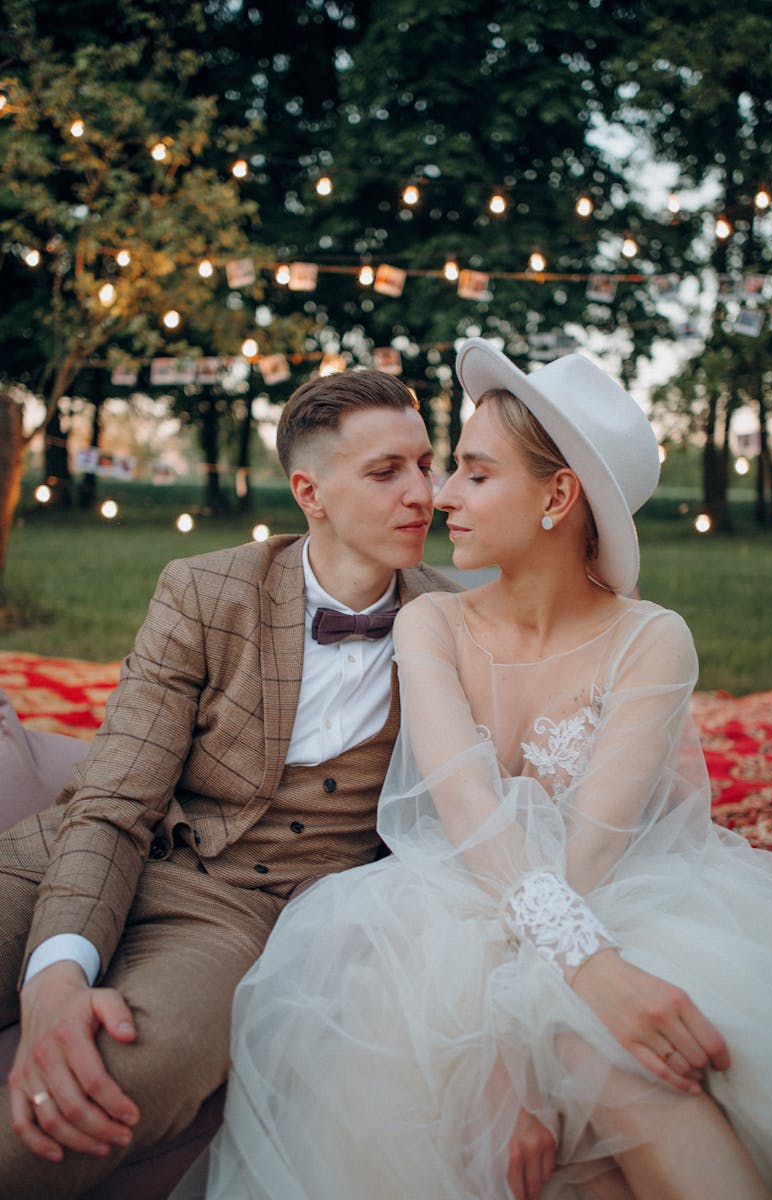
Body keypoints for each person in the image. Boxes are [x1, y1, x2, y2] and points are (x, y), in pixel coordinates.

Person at [178, 341, 772, 1200]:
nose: (439, 496)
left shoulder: (652, 639)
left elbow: (593, 854)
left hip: (617, 899)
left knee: (625, 1059)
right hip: (443, 916)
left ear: (557, 495)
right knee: (573, 1067)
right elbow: (468, 810)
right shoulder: (431, 625)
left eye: (472, 473)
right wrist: (513, 1044)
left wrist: (538, 1027)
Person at [0, 367, 464, 1198]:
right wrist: (57, 973)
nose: (422, 492)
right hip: (78, 854)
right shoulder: (207, 591)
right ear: (309, 492)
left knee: (106, 1087)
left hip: (237, 920)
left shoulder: (457, 625)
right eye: (387, 471)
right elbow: (114, 800)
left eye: (427, 464)